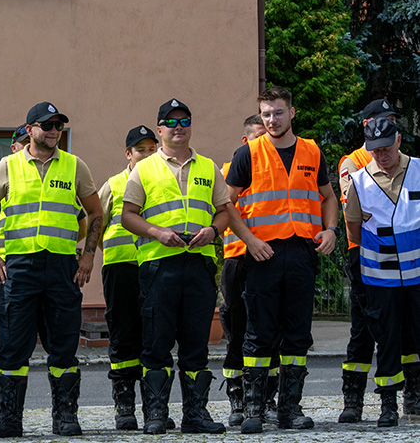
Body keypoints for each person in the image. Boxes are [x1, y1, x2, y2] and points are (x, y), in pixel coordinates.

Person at [0, 102, 103, 438]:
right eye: (46, 125)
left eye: (58, 126)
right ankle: (8, 419)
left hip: (62, 268)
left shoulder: (75, 166)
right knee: (13, 347)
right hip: (20, 268)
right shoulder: (8, 166)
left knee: (63, 346)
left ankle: (65, 418)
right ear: (30, 129)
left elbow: (97, 213)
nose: (53, 131)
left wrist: (88, 256)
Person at [225, 86, 339, 434]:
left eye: (277, 112)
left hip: (303, 252)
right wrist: (250, 240)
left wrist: (331, 229)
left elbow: (328, 196)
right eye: (265, 114)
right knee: (258, 333)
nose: (271, 120)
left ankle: (289, 409)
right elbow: (226, 204)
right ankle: (254, 411)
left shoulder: (311, 151)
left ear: (292, 113)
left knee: (297, 333)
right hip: (264, 254)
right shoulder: (248, 154)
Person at [121, 99, 230, 435]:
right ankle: (155, 414)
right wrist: (156, 232)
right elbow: (127, 215)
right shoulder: (145, 168)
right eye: (170, 122)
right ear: (160, 129)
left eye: (184, 121)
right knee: (156, 343)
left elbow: (224, 211)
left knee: (196, 343)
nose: (178, 127)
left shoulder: (208, 167)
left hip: (198, 263)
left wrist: (213, 230)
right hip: (159, 265)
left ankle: (196, 414)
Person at [337, 99, 420, 423]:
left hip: (415, 273)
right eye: (377, 150)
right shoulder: (356, 172)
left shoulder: (415, 169)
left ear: (398, 138)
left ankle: (413, 395)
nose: (381, 155)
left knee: (414, 335)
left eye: (386, 148)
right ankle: (368, 402)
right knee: (371, 335)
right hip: (375, 271)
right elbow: (354, 225)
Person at [98, 125, 167, 431]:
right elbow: (94, 228)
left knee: (156, 337)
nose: (148, 155)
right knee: (124, 337)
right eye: (141, 150)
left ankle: (155, 406)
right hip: (122, 269)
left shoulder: (164, 182)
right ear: (128, 154)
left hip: (155, 268)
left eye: (153, 149)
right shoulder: (113, 185)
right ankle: (124, 406)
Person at [219, 114, 280, 427]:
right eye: (259, 137)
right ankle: (237, 398)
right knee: (236, 330)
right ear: (246, 142)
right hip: (237, 258)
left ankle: (267, 398)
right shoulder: (228, 173)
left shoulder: (277, 170)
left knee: (270, 332)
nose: (265, 143)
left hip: (268, 259)